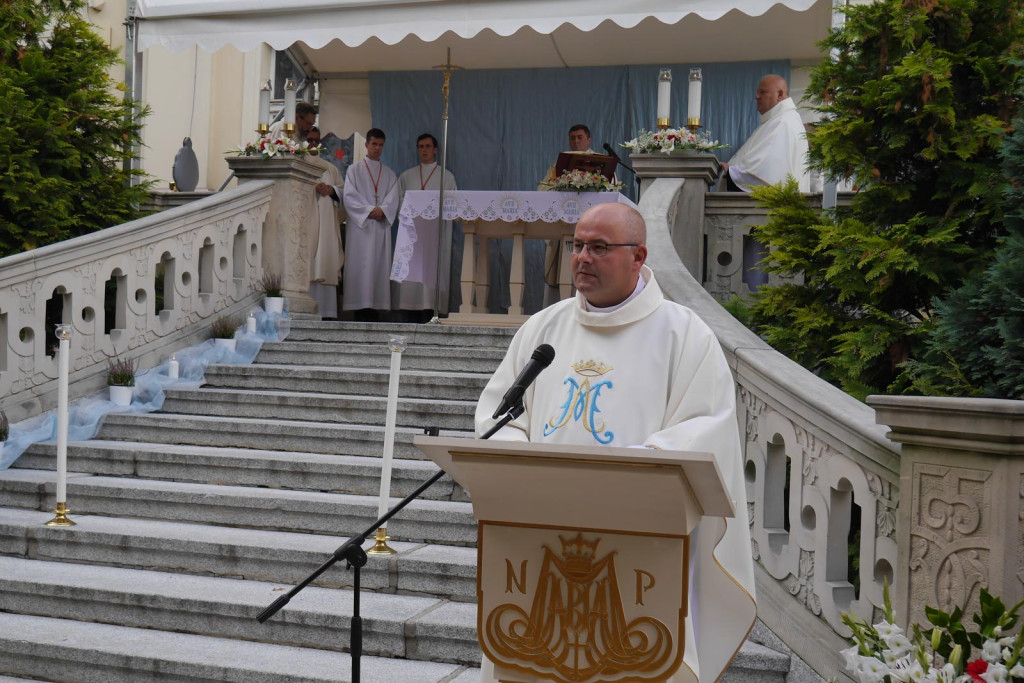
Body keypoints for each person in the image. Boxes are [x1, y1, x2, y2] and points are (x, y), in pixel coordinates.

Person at [474, 202, 756, 683]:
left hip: (640, 536)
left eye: (599, 247)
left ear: (638, 256)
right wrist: (522, 464)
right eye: (577, 245)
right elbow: (499, 414)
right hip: (542, 530)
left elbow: (705, 427)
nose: (582, 257)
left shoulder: (685, 336)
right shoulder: (543, 329)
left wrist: (627, 477)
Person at [394, 133, 458, 322]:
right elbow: (399, 201)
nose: (424, 150)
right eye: (421, 146)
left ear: (435, 149)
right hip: (413, 232)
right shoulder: (407, 175)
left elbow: (452, 204)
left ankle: (432, 309)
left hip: (434, 232)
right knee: (412, 269)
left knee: (432, 269)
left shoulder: (446, 176)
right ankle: (410, 310)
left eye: (428, 146)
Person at [342, 128, 399, 321]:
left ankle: (375, 307)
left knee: (378, 266)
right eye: (374, 144)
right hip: (362, 228)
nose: (377, 148)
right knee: (360, 265)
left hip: (380, 226)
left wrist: (383, 210)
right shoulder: (354, 170)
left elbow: (394, 198)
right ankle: (360, 308)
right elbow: (349, 197)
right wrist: (369, 211)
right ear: (366, 144)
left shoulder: (390, 174)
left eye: (381, 145)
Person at [540, 124, 598, 308]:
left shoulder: (599, 161)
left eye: (580, 137)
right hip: (563, 225)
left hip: (590, 226)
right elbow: (543, 189)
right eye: (572, 138)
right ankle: (558, 307)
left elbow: (609, 189)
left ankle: (589, 305)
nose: (576, 141)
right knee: (561, 269)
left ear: (588, 139)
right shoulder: (560, 164)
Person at [720, 75, 810, 192]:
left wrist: (732, 173)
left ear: (779, 94)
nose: (757, 96)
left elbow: (768, 170)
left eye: (762, 92)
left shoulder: (783, 123)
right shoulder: (779, 120)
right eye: (757, 92)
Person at [304, 126, 345, 319]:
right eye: (309, 139)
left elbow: (343, 191)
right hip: (307, 225)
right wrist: (314, 187)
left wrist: (331, 190)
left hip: (327, 227)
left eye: (315, 140)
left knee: (325, 261)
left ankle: (327, 312)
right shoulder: (297, 164)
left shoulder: (330, 167)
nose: (313, 143)